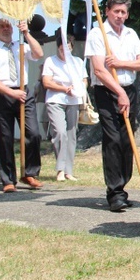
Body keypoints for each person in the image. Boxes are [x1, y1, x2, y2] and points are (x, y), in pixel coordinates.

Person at [84, 0, 140, 212]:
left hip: (129, 88)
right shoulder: (97, 33)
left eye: (124, 12)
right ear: (108, 11)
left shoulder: (130, 34)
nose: (120, 16)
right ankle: (115, 192)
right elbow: (99, 69)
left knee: (127, 138)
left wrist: (120, 63)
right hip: (107, 90)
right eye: (116, 11)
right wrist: (119, 92)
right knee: (112, 139)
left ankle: (123, 185)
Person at [0, 19, 44, 192]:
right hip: (2, 94)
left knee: (34, 133)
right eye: (1, 26)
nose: (5, 29)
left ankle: (29, 173)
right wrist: (11, 93)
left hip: (23, 92)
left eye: (8, 25)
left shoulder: (21, 45)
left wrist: (26, 33)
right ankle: (8, 179)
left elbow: (38, 53)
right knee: (4, 138)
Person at [41, 33, 88, 181]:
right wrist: (63, 88)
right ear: (58, 48)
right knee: (60, 133)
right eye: (62, 49)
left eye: (67, 49)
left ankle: (69, 170)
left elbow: (84, 80)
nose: (65, 52)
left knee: (71, 134)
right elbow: (46, 82)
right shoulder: (51, 61)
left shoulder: (78, 62)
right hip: (55, 100)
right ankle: (60, 169)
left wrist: (79, 88)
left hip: (73, 100)